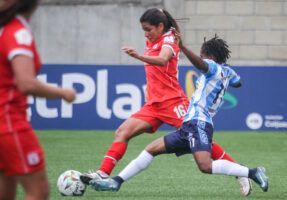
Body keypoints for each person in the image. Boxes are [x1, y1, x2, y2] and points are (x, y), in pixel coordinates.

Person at [80, 8, 251, 196]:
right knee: (122, 132)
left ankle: (239, 172)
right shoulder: (152, 38)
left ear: (160, 26)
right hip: (153, 105)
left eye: (148, 29)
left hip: (173, 102)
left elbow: (162, 60)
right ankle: (103, 174)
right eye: (143, 30)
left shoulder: (169, 40)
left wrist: (138, 56)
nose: (146, 34)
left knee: (203, 141)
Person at [0, 0, 76, 199]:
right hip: (9, 124)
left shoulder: (6, 29)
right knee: (38, 191)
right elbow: (27, 83)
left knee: (6, 190)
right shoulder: (18, 32)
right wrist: (63, 93)